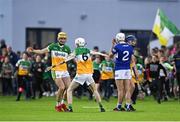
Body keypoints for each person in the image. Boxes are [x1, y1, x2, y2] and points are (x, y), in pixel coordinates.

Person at [27, 32, 71, 112]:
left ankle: (62, 104)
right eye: (61, 38)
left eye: (64, 38)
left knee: (69, 88)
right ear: (58, 39)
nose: (62, 40)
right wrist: (33, 50)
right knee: (61, 87)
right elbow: (42, 51)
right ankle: (57, 105)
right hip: (55, 70)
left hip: (64, 70)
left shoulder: (67, 48)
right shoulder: (53, 46)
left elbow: (72, 57)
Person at [60, 37, 106, 112]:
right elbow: (95, 53)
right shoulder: (87, 50)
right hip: (89, 74)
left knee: (69, 90)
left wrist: (62, 62)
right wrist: (102, 54)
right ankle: (101, 107)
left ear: (77, 44)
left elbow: (69, 57)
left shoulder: (76, 50)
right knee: (95, 90)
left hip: (81, 74)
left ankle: (70, 108)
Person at [109, 32, 134, 111]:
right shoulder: (130, 47)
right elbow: (132, 59)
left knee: (120, 90)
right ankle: (127, 105)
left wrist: (113, 44)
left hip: (119, 69)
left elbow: (110, 55)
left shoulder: (117, 46)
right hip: (127, 69)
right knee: (127, 89)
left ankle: (119, 106)